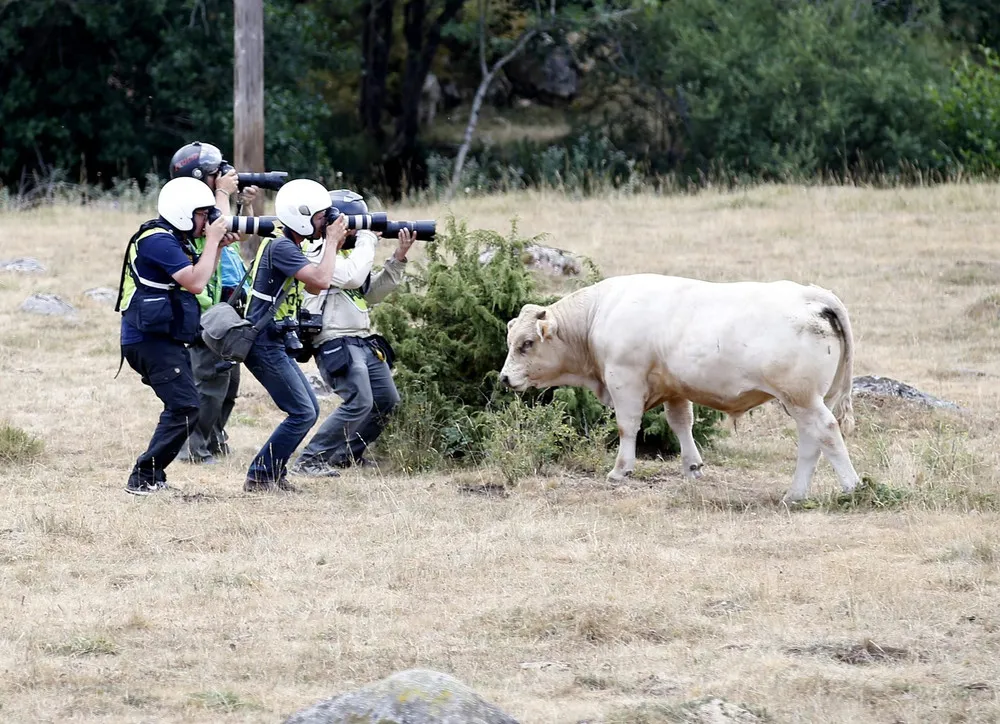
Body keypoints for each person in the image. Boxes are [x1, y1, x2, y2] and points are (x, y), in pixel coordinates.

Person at [114, 176, 238, 495]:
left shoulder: (173, 239)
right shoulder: (158, 241)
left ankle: (152, 477)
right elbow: (195, 283)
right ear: (183, 212)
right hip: (147, 340)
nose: (206, 221)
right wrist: (212, 241)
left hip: (162, 338)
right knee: (184, 406)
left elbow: (201, 275)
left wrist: (217, 247)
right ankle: (143, 477)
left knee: (185, 405)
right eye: (202, 214)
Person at [290, 189, 414, 477]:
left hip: (361, 340)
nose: (358, 231)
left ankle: (345, 455)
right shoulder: (317, 253)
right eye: (355, 224)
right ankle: (309, 460)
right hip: (334, 340)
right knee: (359, 401)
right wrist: (369, 238)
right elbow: (351, 276)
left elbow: (370, 294)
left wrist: (398, 258)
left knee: (386, 400)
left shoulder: (348, 254)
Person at [241, 178, 348, 493]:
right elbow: (322, 281)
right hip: (263, 341)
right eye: (320, 217)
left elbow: (313, 285)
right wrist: (331, 242)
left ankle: (271, 473)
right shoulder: (282, 246)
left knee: (308, 409)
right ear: (301, 217)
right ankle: (261, 476)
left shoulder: (289, 244)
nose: (325, 222)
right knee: (302, 411)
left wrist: (330, 244)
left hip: (272, 340)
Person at [168, 141, 257, 464]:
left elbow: (238, 234)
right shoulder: (188, 209)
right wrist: (222, 193)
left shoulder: (214, 206)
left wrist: (244, 206)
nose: (223, 175)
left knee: (229, 382)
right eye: (215, 173)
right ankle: (193, 447)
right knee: (208, 381)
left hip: (229, 300)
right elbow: (218, 227)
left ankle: (214, 437)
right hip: (207, 305)